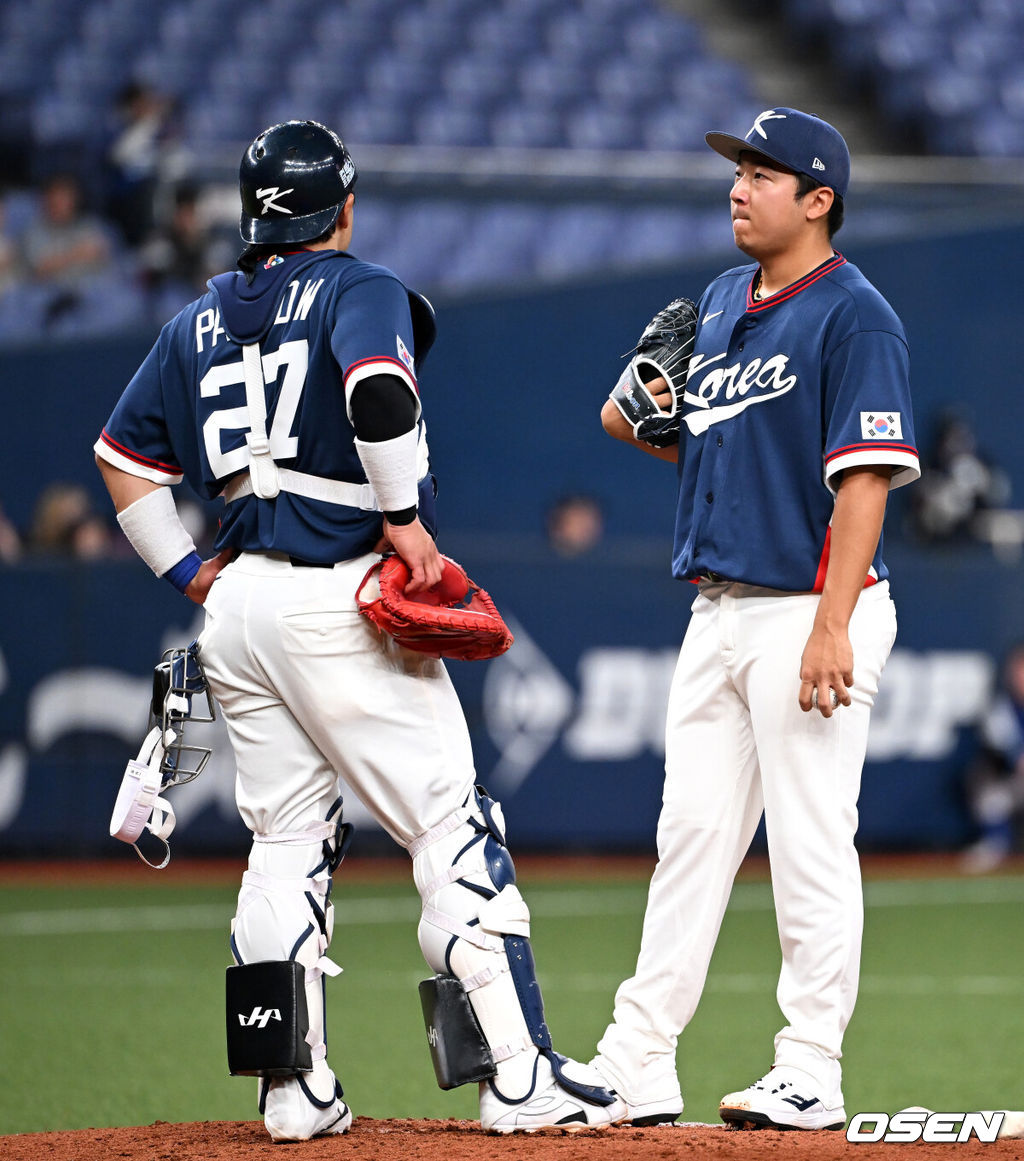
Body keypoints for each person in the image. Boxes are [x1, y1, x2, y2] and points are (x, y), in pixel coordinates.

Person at [93, 119, 625, 1143]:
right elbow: (377, 390)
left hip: (238, 602)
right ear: (342, 204)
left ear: (253, 209)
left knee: (284, 842)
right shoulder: (356, 285)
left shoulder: (194, 321)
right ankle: (519, 1079)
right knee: (448, 831)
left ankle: (291, 1096)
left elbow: (121, 457)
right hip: (339, 591)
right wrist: (403, 518)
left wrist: (192, 570)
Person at [591, 108, 920, 1132]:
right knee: (687, 837)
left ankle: (809, 1065)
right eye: (737, 168)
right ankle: (635, 1061)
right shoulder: (722, 300)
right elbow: (674, 432)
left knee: (812, 839)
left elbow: (864, 483)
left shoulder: (854, 315)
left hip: (809, 612)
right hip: (720, 611)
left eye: (763, 172)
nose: (737, 185)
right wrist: (635, 413)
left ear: (818, 200)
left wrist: (831, 628)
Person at [960, 642, 1024, 874]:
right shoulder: (1002, 709)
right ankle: (996, 844)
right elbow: (1003, 750)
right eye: (1019, 670)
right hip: (1014, 782)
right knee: (991, 795)